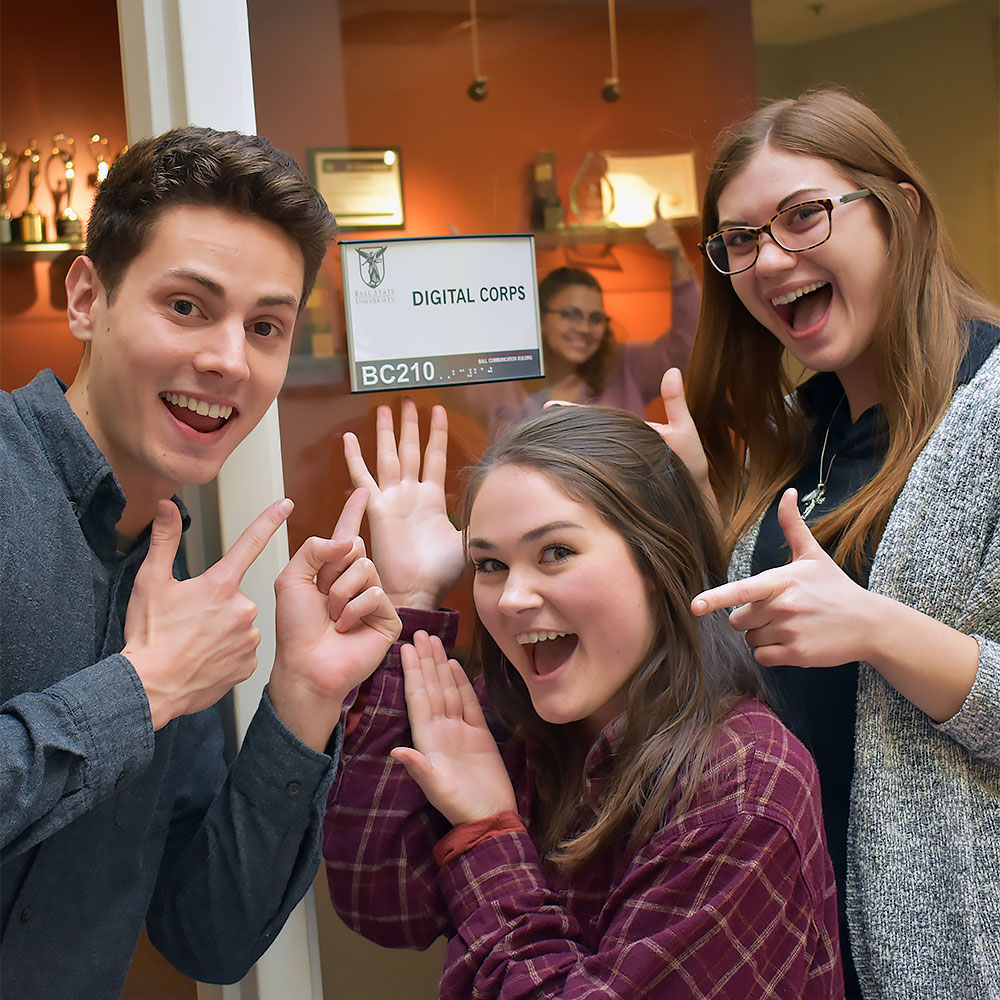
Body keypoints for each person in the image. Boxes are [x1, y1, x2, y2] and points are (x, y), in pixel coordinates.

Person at [0, 126, 402, 997]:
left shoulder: (175, 585)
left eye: (265, 326)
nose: (227, 360)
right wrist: (139, 694)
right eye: (186, 306)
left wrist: (302, 699)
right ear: (85, 298)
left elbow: (205, 934)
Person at [323, 401, 844, 998]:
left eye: (556, 552)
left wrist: (487, 834)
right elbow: (384, 903)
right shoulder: (514, 713)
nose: (512, 598)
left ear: (659, 558)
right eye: (489, 563)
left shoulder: (746, 787)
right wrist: (411, 595)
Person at [660, 89, 1000, 999]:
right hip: (797, 951)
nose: (770, 259)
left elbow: (854, 632)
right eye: (738, 240)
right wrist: (697, 517)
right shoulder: (793, 437)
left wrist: (879, 629)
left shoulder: (992, 413)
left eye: (802, 216)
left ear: (902, 211)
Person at [493, 219, 700, 428]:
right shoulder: (510, 381)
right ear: (542, 319)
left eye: (595, 318)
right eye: (570, 315)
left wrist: (677, 257)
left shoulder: (624, 366)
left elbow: (687, 346)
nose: (584, 329)